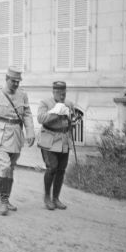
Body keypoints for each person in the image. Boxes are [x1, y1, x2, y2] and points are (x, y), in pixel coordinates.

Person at [0, 67, 35, 215]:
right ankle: (3, 202)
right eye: (13, 81)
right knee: (5, 166)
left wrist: (30, 132)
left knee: (11, 168)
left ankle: (7, 199)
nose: (16, 84)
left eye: (18, 81)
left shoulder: (23, 94)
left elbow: (27, 114)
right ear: (6, 79)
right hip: (1, 135)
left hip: (16, 135)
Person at [37, 81, 76, 210]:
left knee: (61, 170)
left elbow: (72, 119)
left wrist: (73, 120)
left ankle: (56, 198)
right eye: (59, 93)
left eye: (64, 93)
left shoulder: (69, 104)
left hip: (64, 139)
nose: (62, 96)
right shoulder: (45, 103)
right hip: (49, 139)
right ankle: (47, 197)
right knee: (52, 167)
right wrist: (56, 112)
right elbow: (40, 119)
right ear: (53, 92)